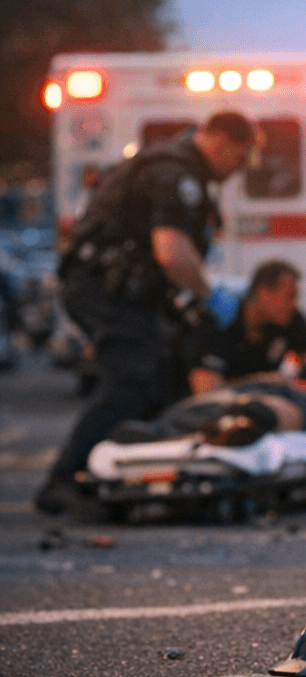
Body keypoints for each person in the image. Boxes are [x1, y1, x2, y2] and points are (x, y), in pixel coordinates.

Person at [35, 111, 259, 514]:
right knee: (132, 376)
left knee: (161, 372)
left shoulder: (177, 168)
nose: (240, 170)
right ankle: (64, 479)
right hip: (103, 288)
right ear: (223, 141)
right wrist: (208, 295)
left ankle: (128, 469)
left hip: (121, 290)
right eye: (241, 158)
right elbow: (171, 251)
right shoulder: (175, 174)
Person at [196, 259, 306, 390]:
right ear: (262, 292)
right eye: (290, 295)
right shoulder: (220, 321)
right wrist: (261, 383)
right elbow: (206, 390)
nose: (294, 304)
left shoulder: (287, 318)